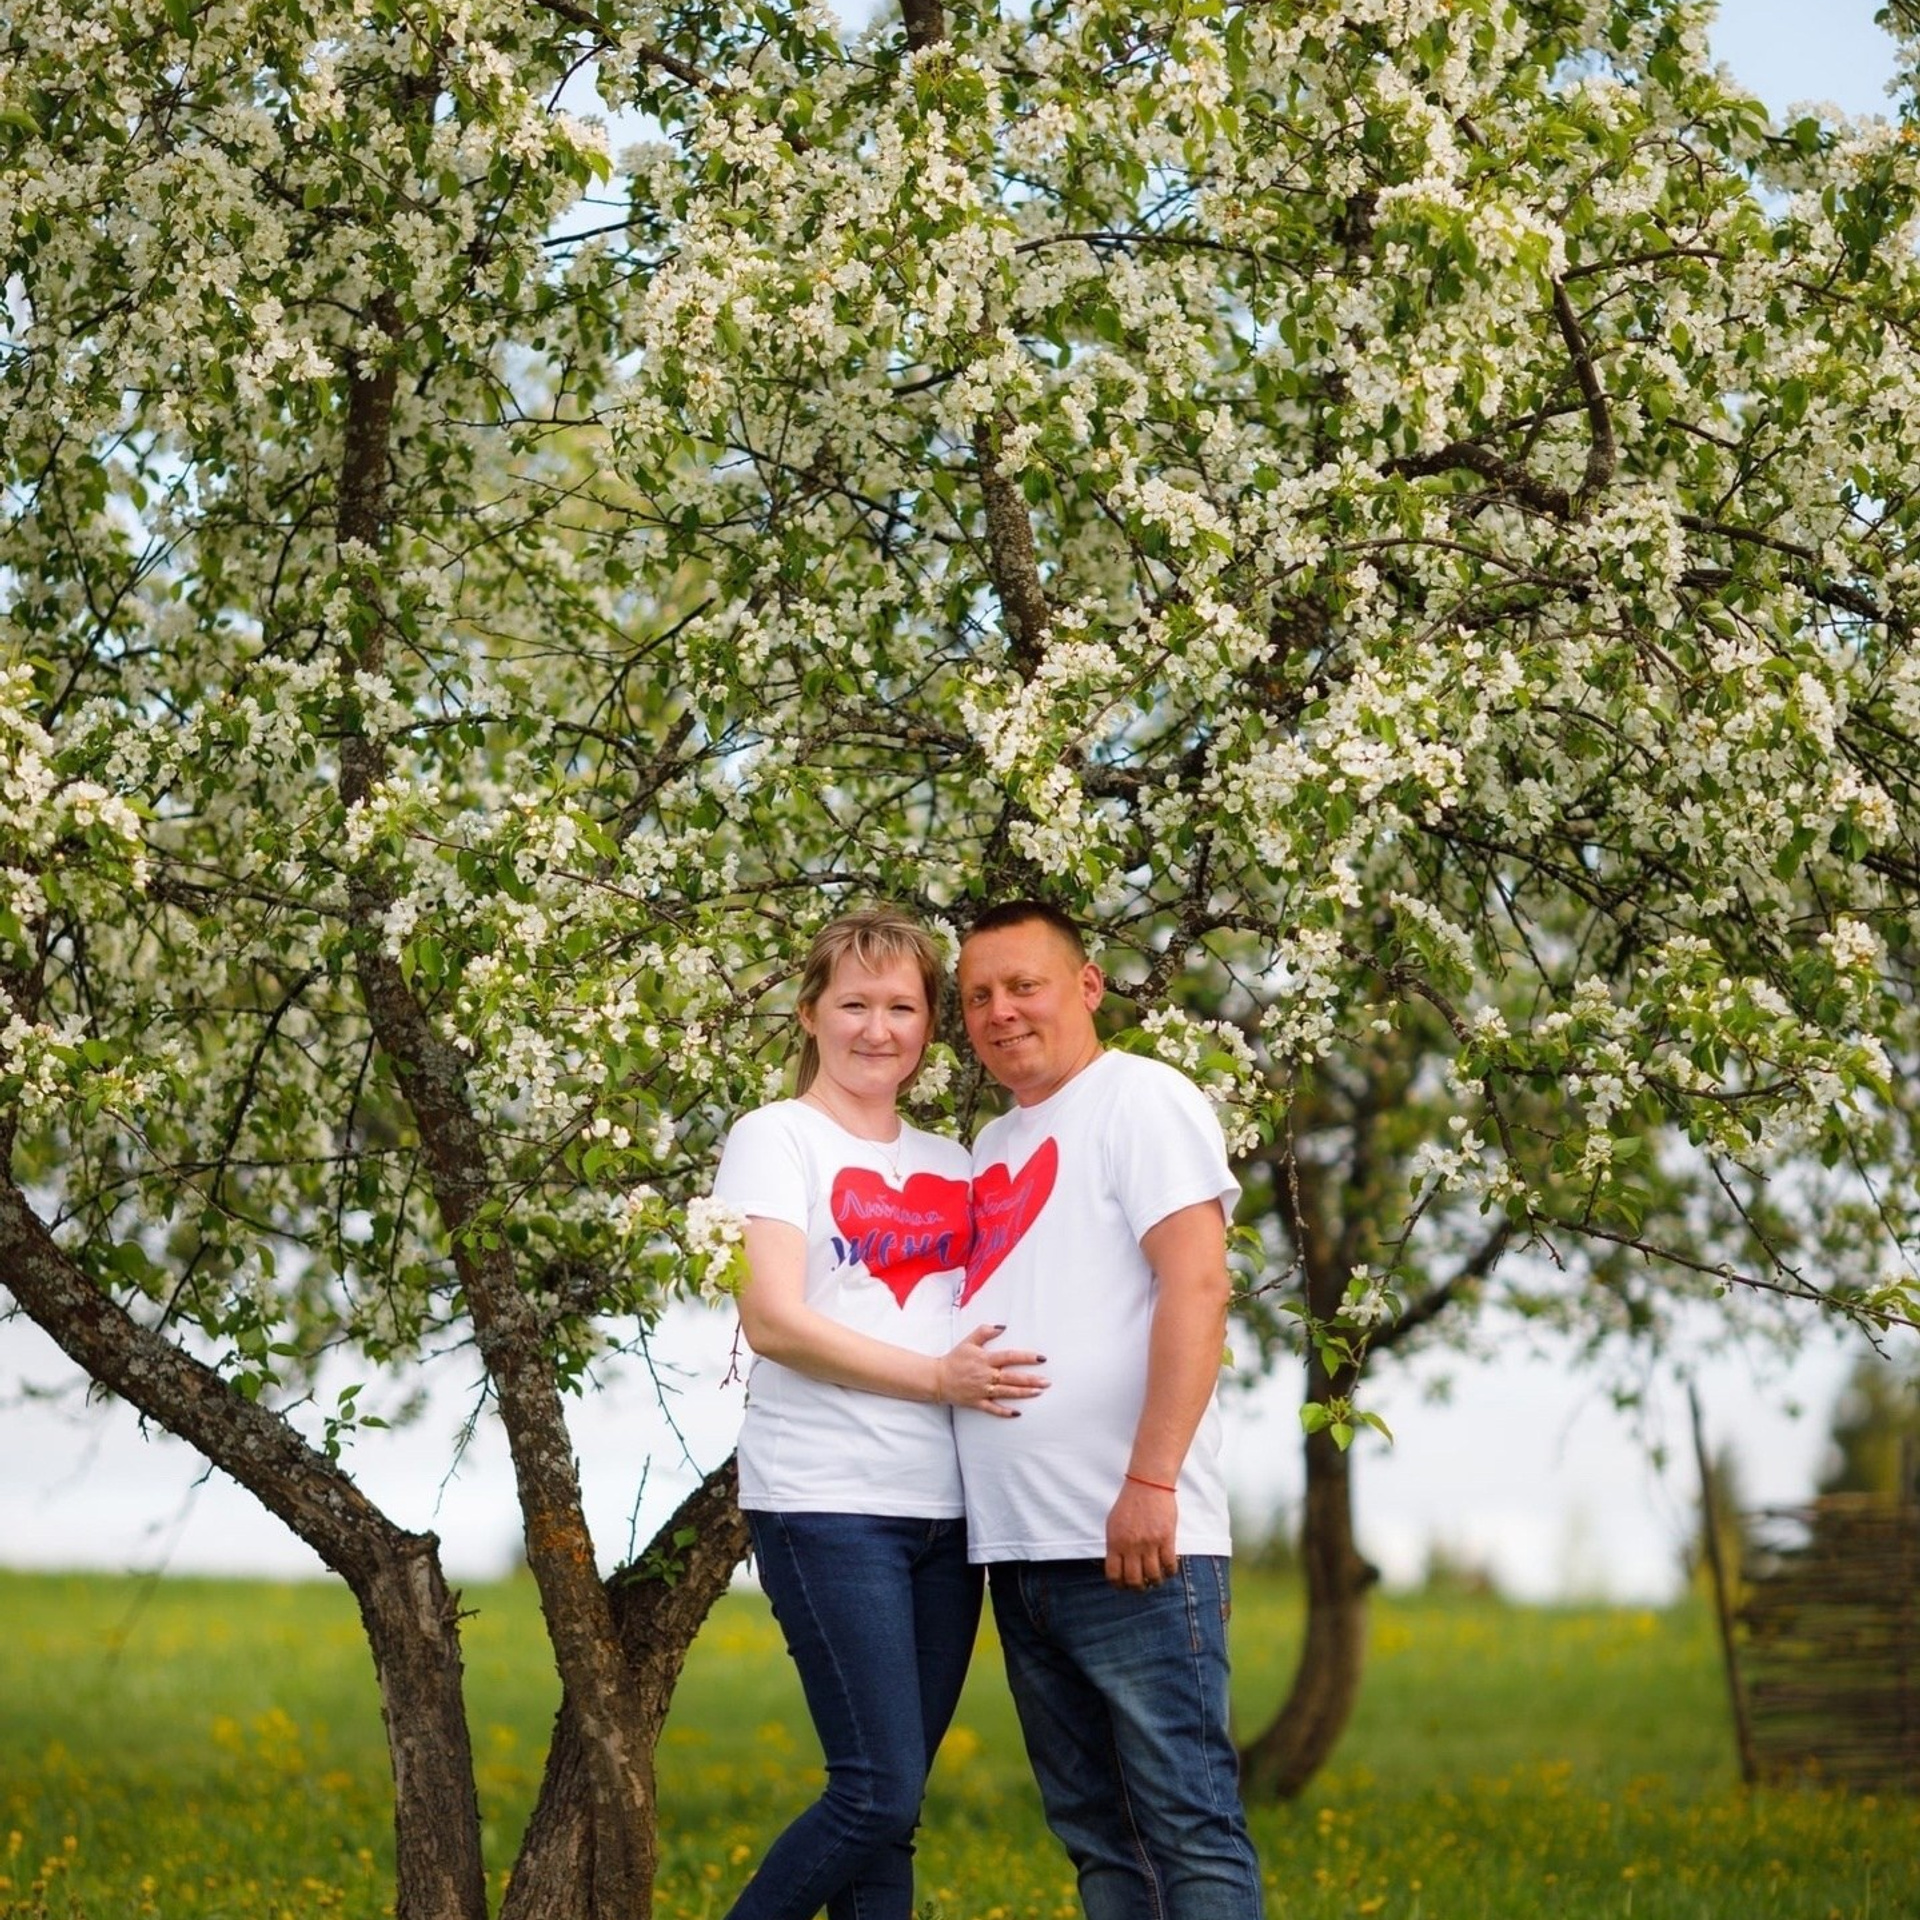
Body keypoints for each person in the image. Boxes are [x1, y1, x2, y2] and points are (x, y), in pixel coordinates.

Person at [711, 906, 1048, 1920]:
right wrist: (935, 1382)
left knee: (894, 1813)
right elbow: (772, 1319)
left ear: (929, 1025)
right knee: (874, 1789)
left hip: (949, 1520)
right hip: (827, 1503)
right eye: (853, 1004)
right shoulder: (775, 1141)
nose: (876, 1028)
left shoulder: (958, 1161)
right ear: (811, 1013)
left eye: (901, 1007)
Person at [952, 899, 1265, 1920]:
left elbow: (1198, 1285)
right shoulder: (995, 1139)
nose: (1001, 1012)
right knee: (1099, 1841)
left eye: (1024, 985)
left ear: (1087, 986)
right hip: (1024, 1550)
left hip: (1130, 1540)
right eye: (978, 996)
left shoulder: (1142, 1098)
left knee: (1186, 1831)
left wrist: (1150, 1480)